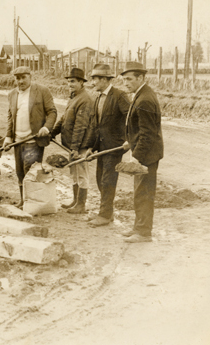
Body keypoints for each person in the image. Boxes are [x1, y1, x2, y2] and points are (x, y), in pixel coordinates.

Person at [120, 61, 164, 243]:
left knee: (144, 192)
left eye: (129, 79)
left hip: (146, 155)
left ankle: (144, 232)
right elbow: (140, 129)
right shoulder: (140, 94)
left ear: (141, 78)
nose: (126, 83)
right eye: (124, 80)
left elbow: (147, 133)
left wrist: (136, 158)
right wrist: (130, 142)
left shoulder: (145, 98)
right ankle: (139, 227)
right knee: (139, 191)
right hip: (143, 152)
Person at [3, 66, 57, 207]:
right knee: (20, 172)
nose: (20, 81)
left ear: (30, 77)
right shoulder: (12, 94)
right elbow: (10, 117)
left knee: (30, 173)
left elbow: (52, 112)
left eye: (23, 77)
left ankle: (33, 203)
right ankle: (24, 200)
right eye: (17, 78)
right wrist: (8, 137)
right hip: (18, 141)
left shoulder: (42, 91)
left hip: (33, 140)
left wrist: (46, 127)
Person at [85, 63, 130, 227]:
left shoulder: (120, 96)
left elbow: (131, 117)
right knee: (99, 180)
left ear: (104, 80)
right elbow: (94, 125)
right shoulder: (97, 98)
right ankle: (107, 212)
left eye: (95, 79)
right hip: (101, 147)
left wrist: (128, 139)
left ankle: (104, 215)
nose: (93, 83)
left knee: (107, 181)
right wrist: (90, 147)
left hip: (114, 147)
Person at [51, 67, 95, 214]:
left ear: (82, 82)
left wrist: (75, 148)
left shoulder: (85, 100)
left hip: (80, 145)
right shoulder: (73, 97)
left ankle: (81, 205)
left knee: (81, 173)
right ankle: (75, 201)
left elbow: (80, 126)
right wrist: (53, 132)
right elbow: (64, 118)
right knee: (74, 173)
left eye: (73, 81)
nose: (70, 84)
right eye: (69, 81)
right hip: (71, 145)